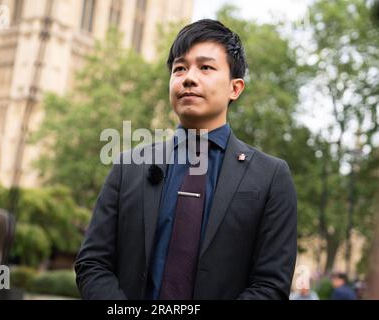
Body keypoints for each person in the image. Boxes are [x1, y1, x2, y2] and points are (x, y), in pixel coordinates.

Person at [75, 19, 297, 300]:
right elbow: (92, 263)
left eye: (205, 67)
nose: (188, 78)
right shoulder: (128, 166)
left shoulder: (270, 176)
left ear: (235, 88)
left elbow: (271, 285)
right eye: (180, 68)